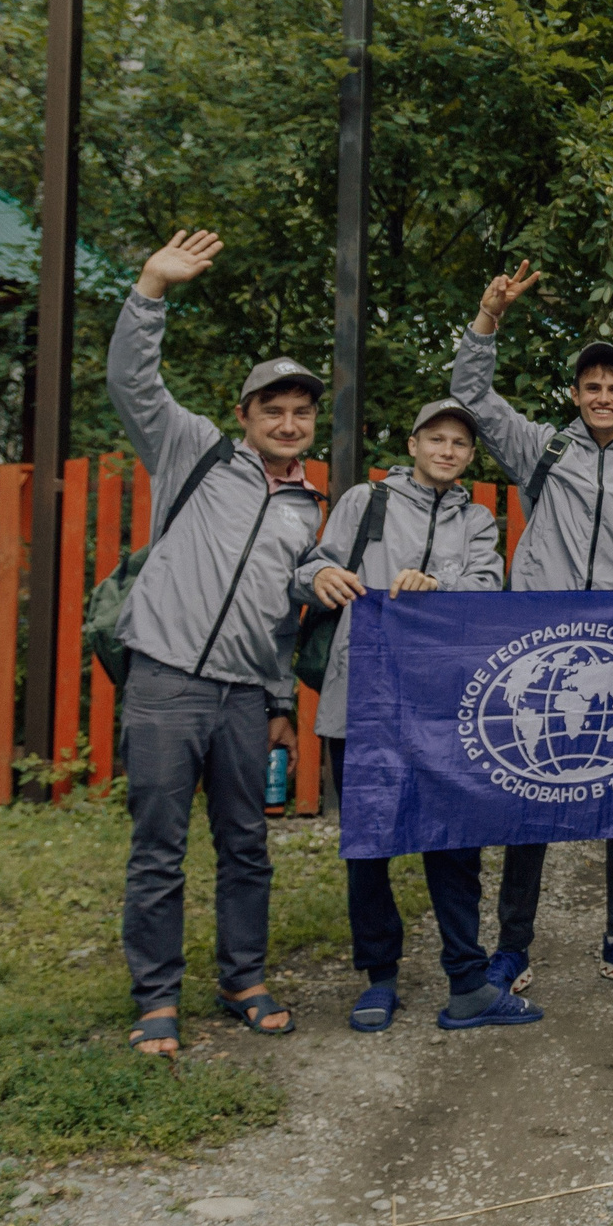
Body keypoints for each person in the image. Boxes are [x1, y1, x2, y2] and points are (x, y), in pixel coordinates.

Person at [450, 259, 613, 998]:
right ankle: (512, 944)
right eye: (590, 385)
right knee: (529, 793)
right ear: (575, 394)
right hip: (543, 652)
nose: (602, 396)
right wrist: (487, 317)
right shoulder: (544, 449)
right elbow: (471, 393)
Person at [108, 229, 328, 1058]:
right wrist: (151, 291)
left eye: (300, 411)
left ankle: (243, 977)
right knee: (158, 847)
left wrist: (278, 706)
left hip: (244, 698)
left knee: (247, 845)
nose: (286, 421)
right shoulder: (192, 451)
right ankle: (156, 997)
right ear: (245, 416)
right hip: (164, 682)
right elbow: (132, 381)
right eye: (272, 408)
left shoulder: (310, 509)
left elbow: (281, 622)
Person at [296, 400, 518, 1033]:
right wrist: (326, 577)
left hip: (444, 703)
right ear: (414, 443)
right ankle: (379, 976)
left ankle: (468, 981)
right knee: (369, 843)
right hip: (360, 699)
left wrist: (435, 589)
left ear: (470, 456)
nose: (447, 451)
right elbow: (311, 566)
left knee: (455, 842)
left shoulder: (477, 519)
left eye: (459, 443)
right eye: (436, 439)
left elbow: (486, 589)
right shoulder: (366, 503)